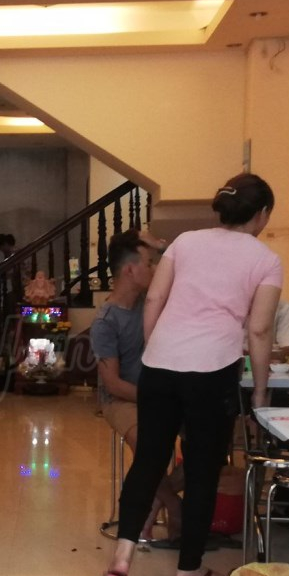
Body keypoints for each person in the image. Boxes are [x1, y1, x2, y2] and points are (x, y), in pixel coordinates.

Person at [104, 173, 281, 576]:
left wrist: (156, 347)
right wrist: (259, 391)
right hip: (213, 370)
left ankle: (122, 557)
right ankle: (189, 570)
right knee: (203, 469)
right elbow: (259, 330)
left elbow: (155, 298)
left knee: (149, 460)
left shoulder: (185, 242)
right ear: (262, 214)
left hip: (161, 365)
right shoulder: (266, 259)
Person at [91, 230, 181, 544]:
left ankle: (155, 500)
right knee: (148, 445)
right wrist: (157, 398)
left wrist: (162, 246)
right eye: (149, 263)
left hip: (160, 394)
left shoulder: (151, 302)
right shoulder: (106, 322)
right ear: (130, 269)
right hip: (122, 399)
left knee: (208, 441)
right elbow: (113, 384)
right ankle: (173, 505)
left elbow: (182, 270)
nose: (155, 269)